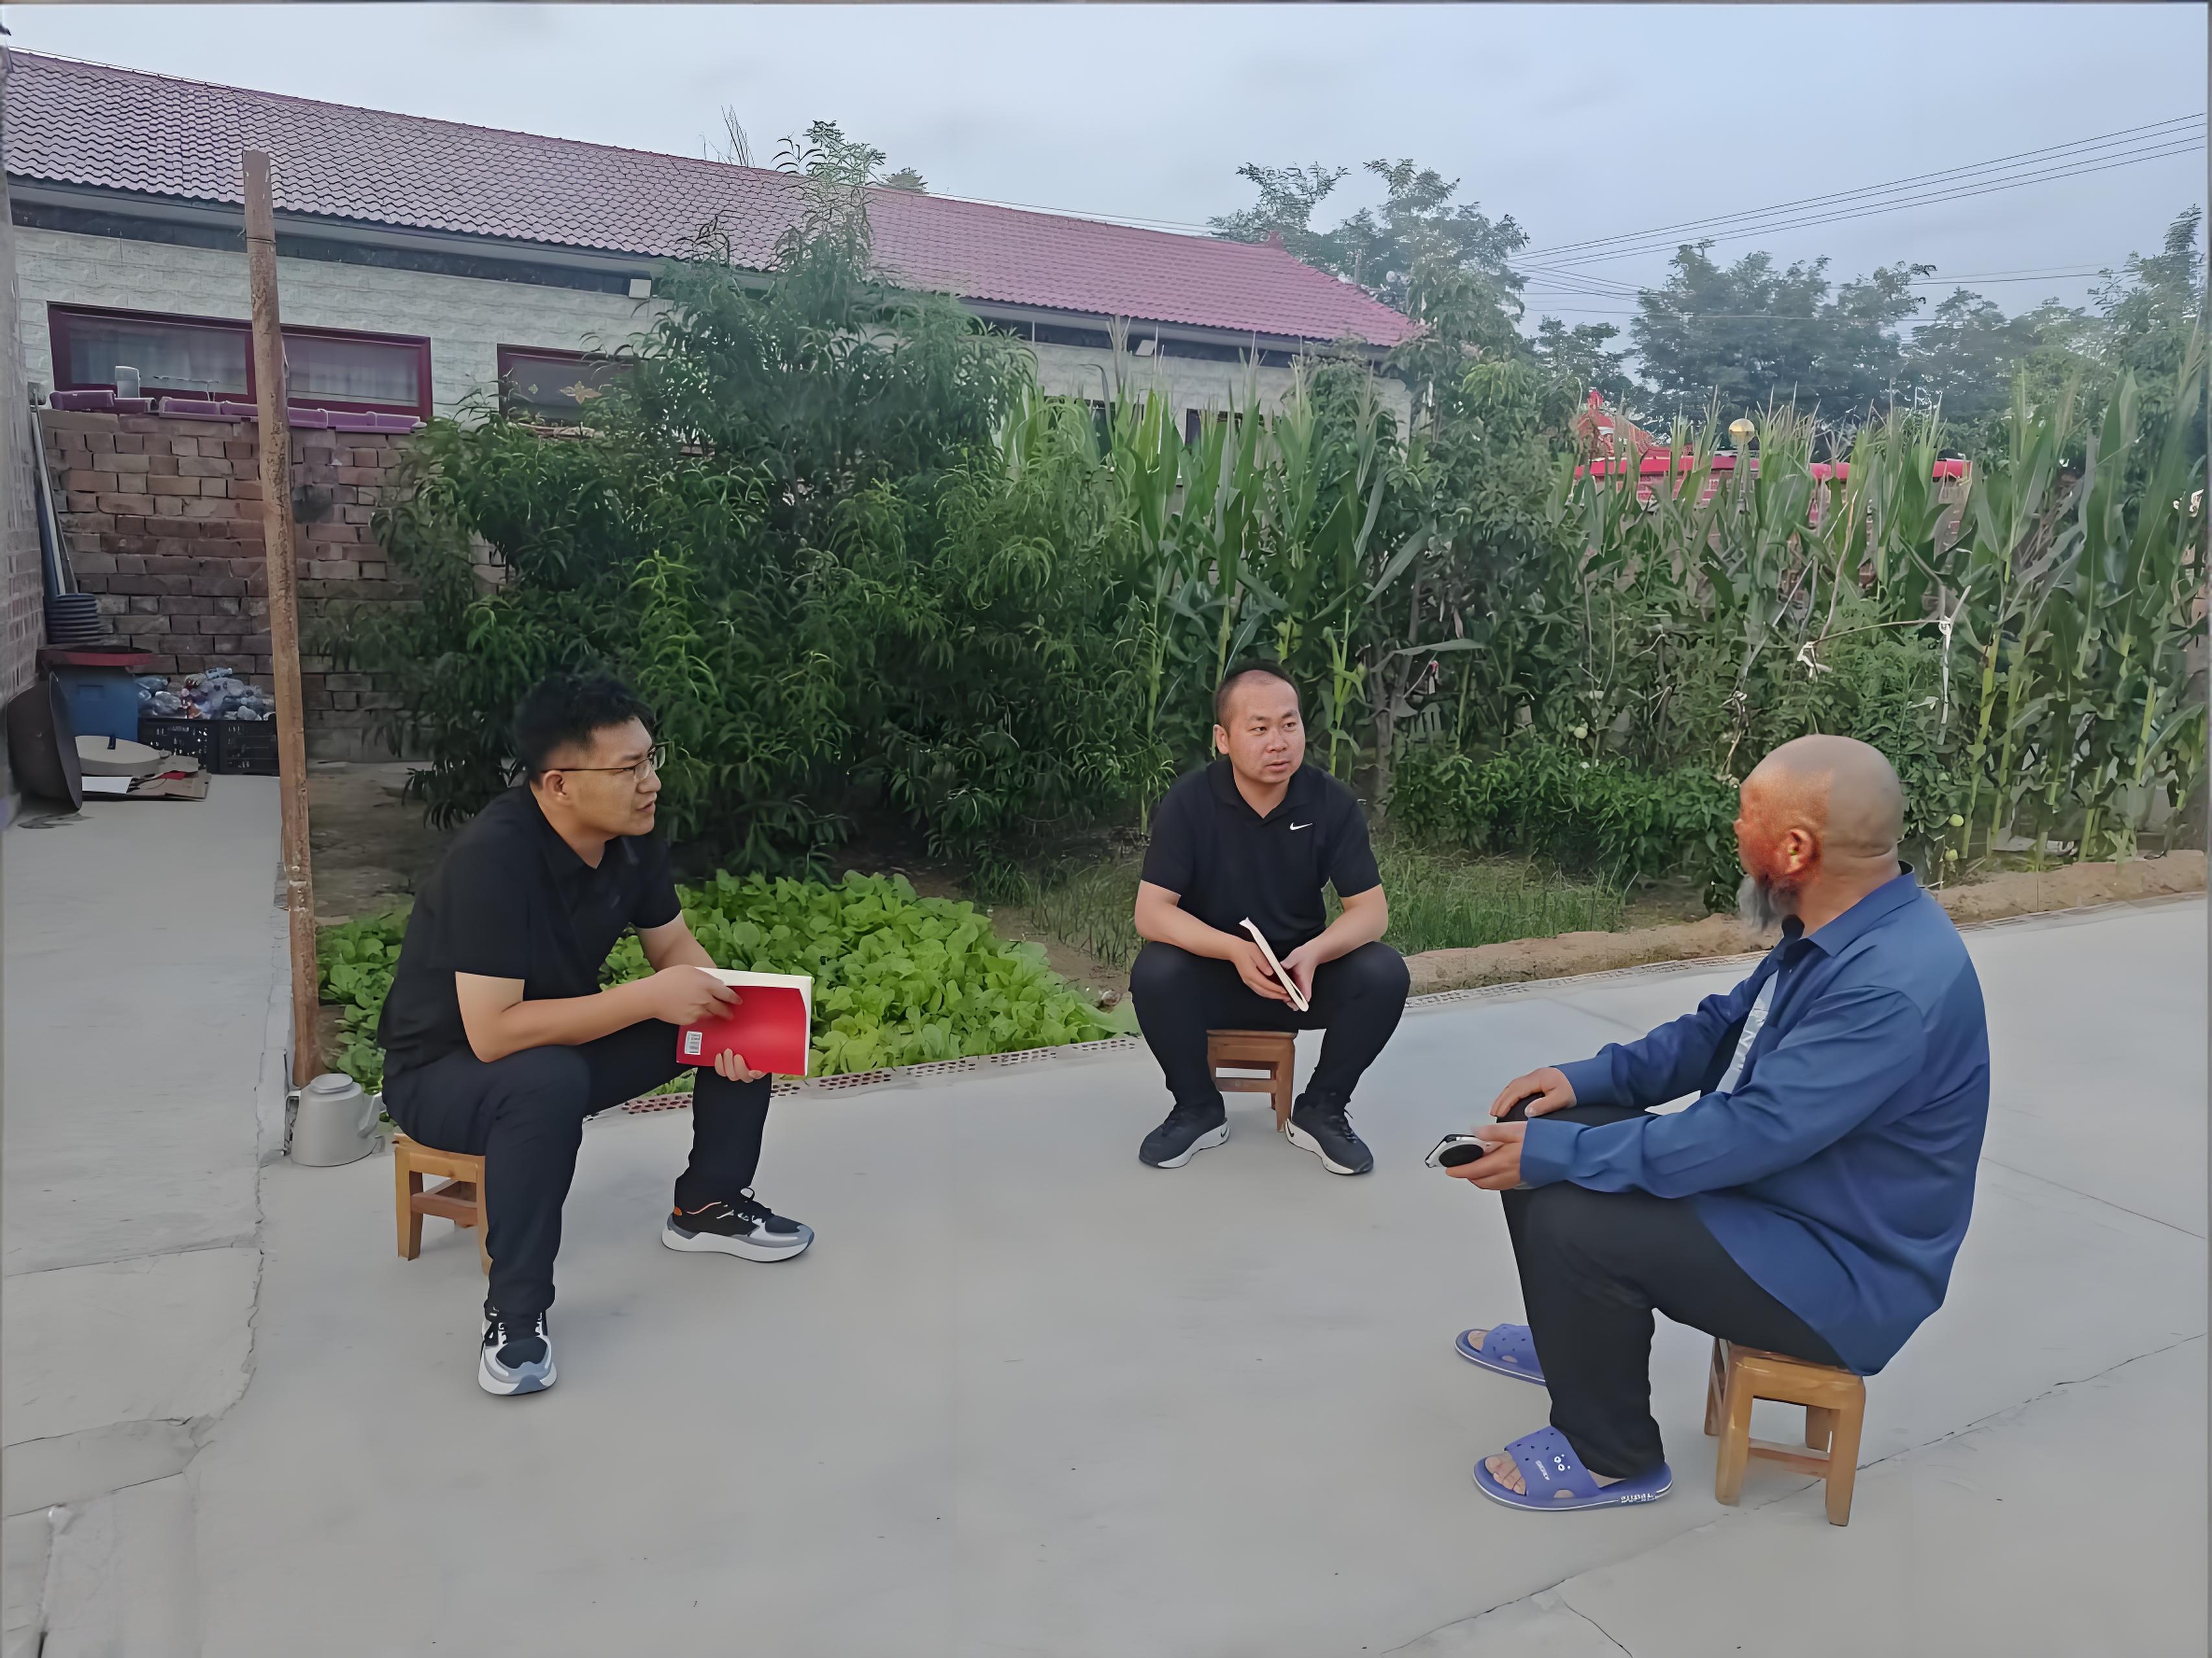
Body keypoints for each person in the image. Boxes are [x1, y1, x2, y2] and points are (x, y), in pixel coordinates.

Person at [1444, 734, 1989, 1512]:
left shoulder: (1889, 986)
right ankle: (1572, 1337)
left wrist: (1560, 1153)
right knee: (1541, 1119)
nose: (1735, 828)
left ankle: (1611, 1453)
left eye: (1746, 814)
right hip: (1783, 1196)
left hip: (1841, 1268)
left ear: (1794, 848)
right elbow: (1718, 1031)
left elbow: (1745, 1134)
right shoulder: (1845, 925)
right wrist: (1583, 1080)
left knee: (1572, 1213)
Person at [378, 673, 813, 1398]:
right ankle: (516, 1314)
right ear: (559, 784)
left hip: (556, 1042)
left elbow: (673, 948)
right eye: (629, 768)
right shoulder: (493, 861)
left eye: (650, 759)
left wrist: (729, 1021)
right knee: (544, 1082)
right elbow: (492, 1035)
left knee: (736, 1013)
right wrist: (648, 998)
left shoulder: (630, 836)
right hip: (443, 1072)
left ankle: (708, 1204)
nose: (652, 782)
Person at [1129, 662, 1410, 1175]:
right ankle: (1197, 1108)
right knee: (1155, 971)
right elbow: (1151, 913)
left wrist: (1314, 954)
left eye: (1289, 724)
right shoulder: (1190, 802)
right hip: (1215, 977)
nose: (1278, 743)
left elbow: (1371, 913)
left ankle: (1322, 1108)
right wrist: (1233, 950)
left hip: (1299, 981)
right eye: (1259, 729)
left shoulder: (1330, 802)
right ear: (1223, 739)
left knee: (1384, 971)